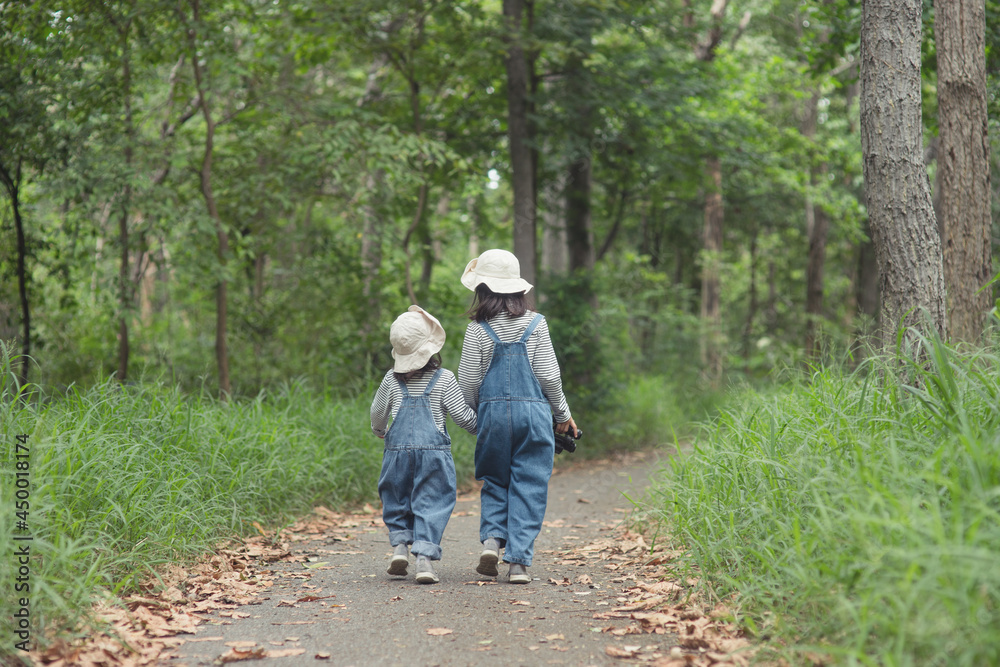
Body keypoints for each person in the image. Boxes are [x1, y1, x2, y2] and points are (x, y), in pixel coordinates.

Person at [458, 249, 579, 584]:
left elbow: (468, 381)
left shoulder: (477, 329)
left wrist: (480, 417)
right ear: (517, 288)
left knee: (495, 479)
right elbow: (549, 377)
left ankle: (491, 542)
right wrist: (563, 414)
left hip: (492, 415)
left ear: (482, 289)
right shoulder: (536, 323)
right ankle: (518, 564)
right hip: (534, 416)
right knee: (529, 483)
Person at [370, 306, 477, 584]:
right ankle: (424, 561)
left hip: (396, 454)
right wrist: (480, 428)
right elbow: (462, 416)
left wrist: (379, 430)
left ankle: (399, 548)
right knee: (432, 501)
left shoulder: (390, 379)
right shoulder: (445, 379)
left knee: (396, 498)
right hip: (433, 456)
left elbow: (377, 411)